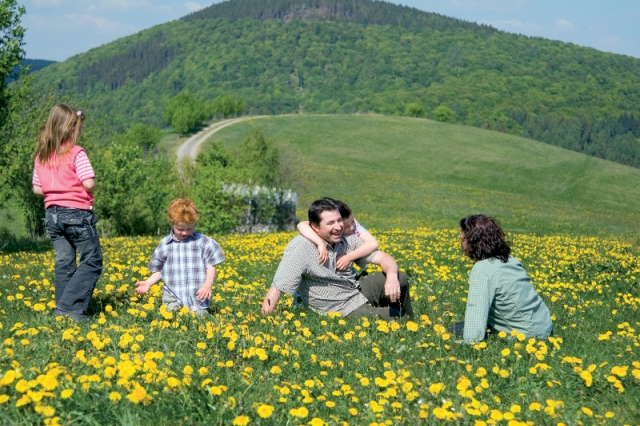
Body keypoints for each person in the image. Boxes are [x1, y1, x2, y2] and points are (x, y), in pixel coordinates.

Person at [261, 198, 413, 320]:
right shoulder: (302, 247)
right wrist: (265, 321)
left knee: (400, 278)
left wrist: (392, 278)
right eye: (330, 223)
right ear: (315, 227)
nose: (339, 227)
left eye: (339, 220)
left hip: (353, 291)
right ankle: (403, 322)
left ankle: (407, 322)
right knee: (398, 318)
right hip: (338, 308)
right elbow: (277, 286)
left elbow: (385, 258)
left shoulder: (346, 240)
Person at [32, 104, 102, 322]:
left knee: (64, 261)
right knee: (92, 259)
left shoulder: (41, 155)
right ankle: (69, 309)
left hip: (52, 215)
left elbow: (37, 188)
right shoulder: (76, 152)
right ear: (69, 130)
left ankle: (62, 311)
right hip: (76, 214)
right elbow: (89, 183)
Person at [456, 214, 553, 344]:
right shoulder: (509, 260)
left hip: (527, 336)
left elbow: (476, 311)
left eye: (463, 240)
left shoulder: (482, 270)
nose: (460, 244)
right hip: (544, 327)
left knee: (454, 330)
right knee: (458, 327)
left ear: (474, 242)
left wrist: (469, 344)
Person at [135, 199, 225, 315]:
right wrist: (148, 282)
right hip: (172, 293)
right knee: (170, 316)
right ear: (172, 223)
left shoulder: (202, 242)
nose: (184, 233)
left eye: (189, 229)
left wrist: (208, 283)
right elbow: (159, 271)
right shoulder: (165, 245)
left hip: (196, 294)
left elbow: (211, 265)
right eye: (180, 229)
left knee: (201, 318)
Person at [297, 199, 378, 270]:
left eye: (353, 222)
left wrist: (349, 257)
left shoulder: (351, 223)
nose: (352, 227)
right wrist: (320, 243)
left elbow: (373, 243)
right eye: (346, 226)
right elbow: (302, 225)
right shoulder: (328, 224)